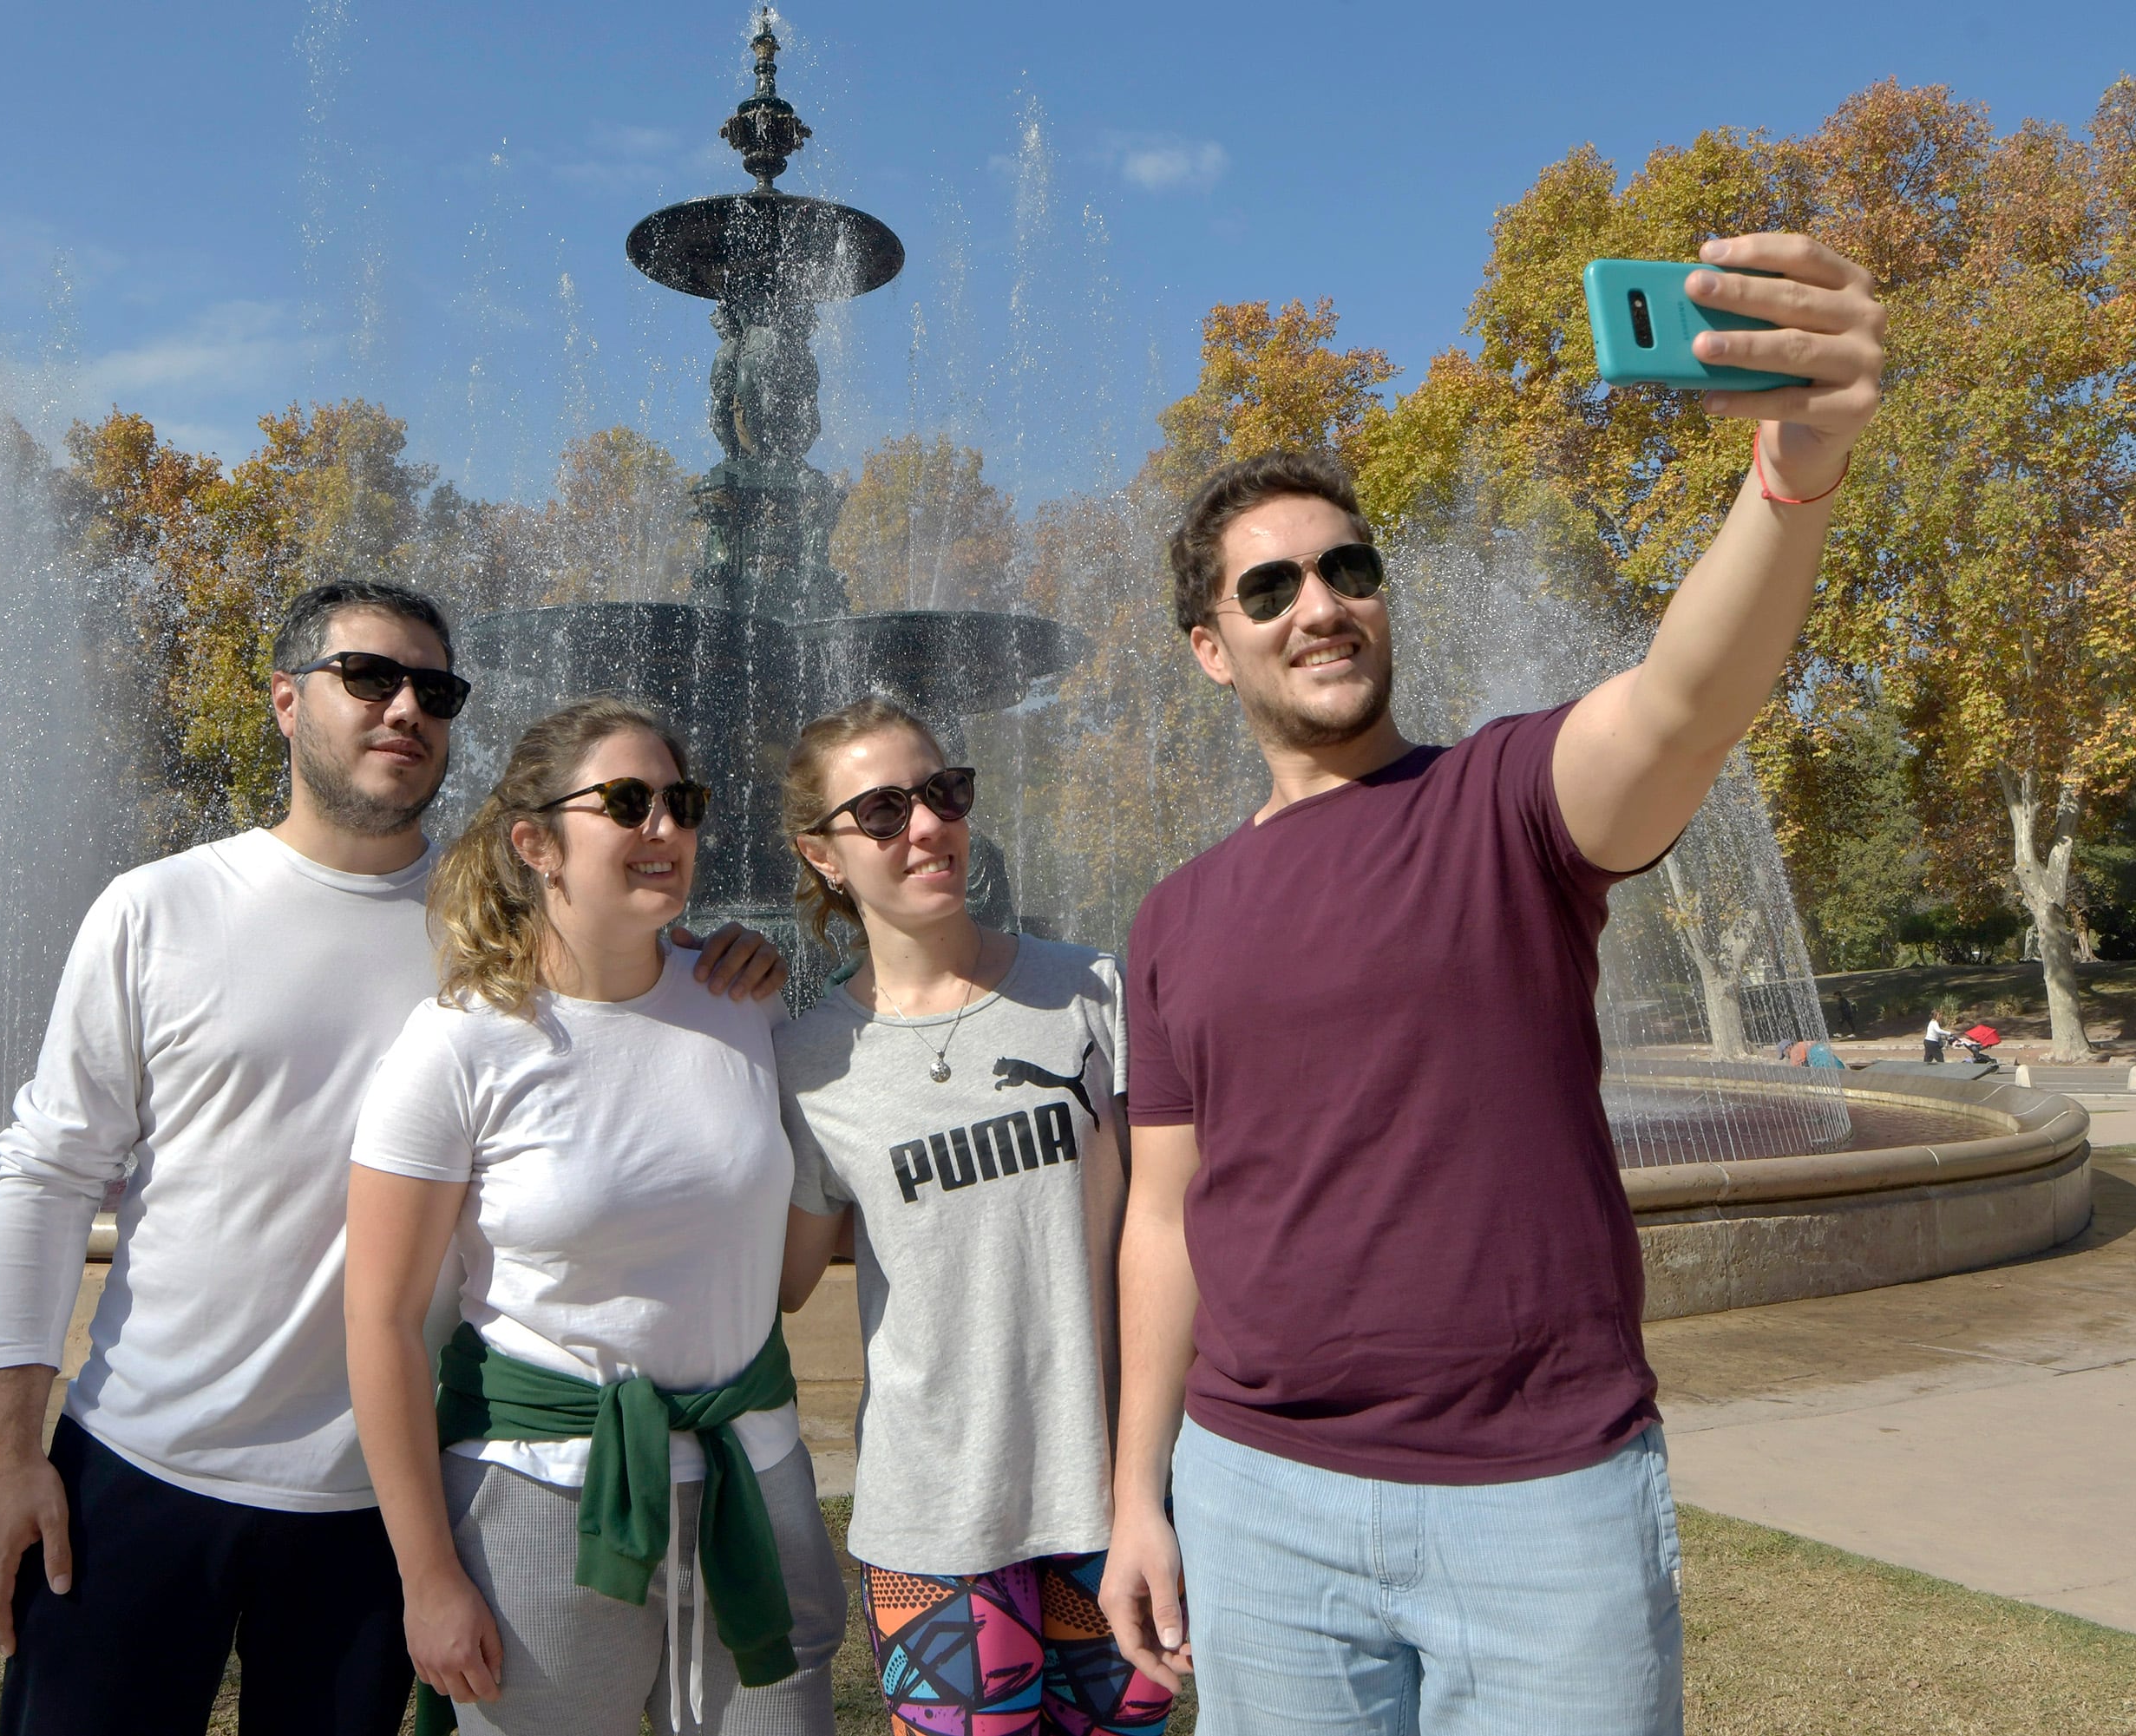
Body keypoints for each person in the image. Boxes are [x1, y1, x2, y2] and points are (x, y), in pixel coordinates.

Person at [1102, 233, 1886, 1733]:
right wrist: (1139, 1493)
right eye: (1268, 589)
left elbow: (1685, 698)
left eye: (1348, 568)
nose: (1317, 604)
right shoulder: (1174, 916)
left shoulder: (1506, 803)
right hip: (1256, 1499)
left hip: (1540, 1505)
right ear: (1212, 648)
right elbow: (1160, 1215)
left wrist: (1792, 474)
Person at [0, 587, 784, 1736]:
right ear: (286, 699)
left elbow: (632, 988)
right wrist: (9, 1460)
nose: (405, 709)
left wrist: (728, 954)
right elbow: (44, 1179)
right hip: (144, 1465)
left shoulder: (496, 922)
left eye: (435, 692)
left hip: (377, 1508)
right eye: (369, 678)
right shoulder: (158, 910)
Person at [345, 696, 845, 1736]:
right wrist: (427, 1575)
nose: (663, 826)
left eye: (682, 802)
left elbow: (787, 1264)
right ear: (536, 843)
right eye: (627, 803)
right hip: (543, 1504)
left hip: (755, 1483)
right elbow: (382, 1322)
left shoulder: (745, 1002)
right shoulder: (457, 1046)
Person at [770, 698, 1174, 1736]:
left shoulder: (1087, 991)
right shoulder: (811, 1062)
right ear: (821, 855)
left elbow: (1166, 1224)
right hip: (932, 1517)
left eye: (943, 793)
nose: (925, 825)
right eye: (882, 810)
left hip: (1112, 1497)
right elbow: (777, 1281)